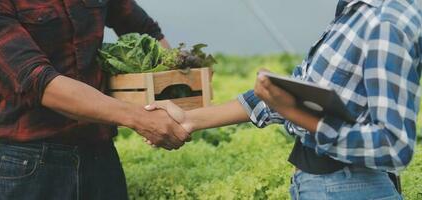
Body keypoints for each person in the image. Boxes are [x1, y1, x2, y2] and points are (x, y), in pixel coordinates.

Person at [146, 0, 422, 199]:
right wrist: (190, 118)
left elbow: (393, 145)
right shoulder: (357, 12)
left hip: (348, 186)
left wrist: (300, 114)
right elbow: (299, 94)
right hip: (330, 185)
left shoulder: (385, 23)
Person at [0, 0, 190, 199]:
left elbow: (144, 30)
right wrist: (138, 117)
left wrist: (174, 84)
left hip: (101, 156)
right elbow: (39, 82)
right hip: (31, 164)